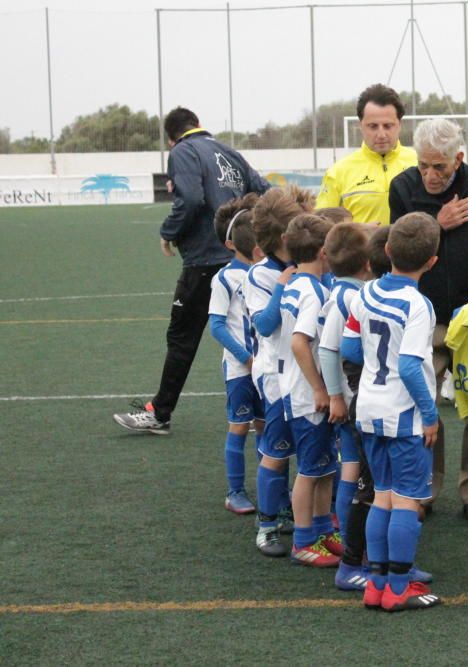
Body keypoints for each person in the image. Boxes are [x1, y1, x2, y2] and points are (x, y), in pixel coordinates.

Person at [113, 107, 270, 434]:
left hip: (204, 260)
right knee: (254, 333)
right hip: (241, 258)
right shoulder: (228, 151)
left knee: (182, 337)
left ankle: (160, 413)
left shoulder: (183, 152)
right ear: (198, 124)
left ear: (171, 138)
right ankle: (270, 410)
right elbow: (265, 191)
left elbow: (191, 198)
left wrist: (169, 231)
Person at [388, 118, 468, 524]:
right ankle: (422, 489)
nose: (429, 175)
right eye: (423, 165)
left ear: (459, 157)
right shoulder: (403, 187)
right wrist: (439, 220)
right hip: (422, 316)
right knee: (420, 404)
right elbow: (399, 248)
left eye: (439, 166)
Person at [342, 212, 443, 612]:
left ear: (385, 250)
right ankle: (399, 590)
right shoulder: (419, 305)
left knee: (381, 496)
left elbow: (350, 350)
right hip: (404, 416)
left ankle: (376, 584)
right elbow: (407, 366)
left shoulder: (362, 294)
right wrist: (431, 414)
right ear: (432, 261)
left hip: (367, 409)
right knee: (405, 501)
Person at [246, 186, 313, 557]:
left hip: (306, 371)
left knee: (308, 448)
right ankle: (266, 525)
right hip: (275, 373)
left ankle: (294, 513)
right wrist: (282, 289)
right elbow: (266, 325)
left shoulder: (308, 264)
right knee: (276, 449)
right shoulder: (260, 275)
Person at [276, 213, 342, 567]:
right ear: (321, 252)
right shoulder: (313, 292)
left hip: (299, 389)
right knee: (310, 468)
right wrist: (321, 389)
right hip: (306, 395)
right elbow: (301, 343)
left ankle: (321, 530)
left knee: (324, 466)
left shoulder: (297, 283)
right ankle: (303, 540)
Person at [317, 223, 375, 586]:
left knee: (353, 474)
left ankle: (354, 548)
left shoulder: (336, 291)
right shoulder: (350, 299)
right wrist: (336, 395)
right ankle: (353, 552)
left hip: (349, 398)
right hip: (353, 402)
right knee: (355, 477)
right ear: (368, 263)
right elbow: (327, 348)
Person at [208, 193, 265, 515]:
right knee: (240, 427)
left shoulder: (266, 274)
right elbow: (217, 326)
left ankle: (270, 488)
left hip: (265, 368)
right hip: (242, 369)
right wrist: (246, 358)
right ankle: (235, 491)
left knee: (265, 427)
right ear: (233, 244)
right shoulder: (224, 279)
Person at [316, 84, 417, 225]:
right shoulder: (337, 173)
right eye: (373, 126)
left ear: (399, 124)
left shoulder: (420, 163)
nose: (381, 134)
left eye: (388, 126)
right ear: (360, 125)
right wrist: (359, 232)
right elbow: (320, 229)